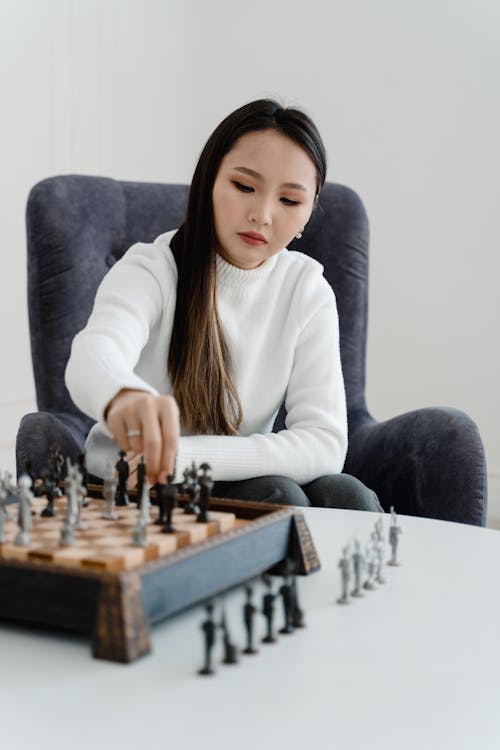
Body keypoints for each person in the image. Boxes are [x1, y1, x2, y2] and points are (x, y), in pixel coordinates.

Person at [65, 98, 382, 512]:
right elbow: (94, 354)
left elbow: (323, 443)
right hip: (136, 481)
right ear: (209, 181)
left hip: (223, 472)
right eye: (244, 187)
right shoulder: (152, 269)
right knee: (280, 498)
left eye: (289, 201)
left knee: (347, 496)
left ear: (309, 212)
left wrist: (185, 456)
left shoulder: (306, 288)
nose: (262, 215)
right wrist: (124, 397)